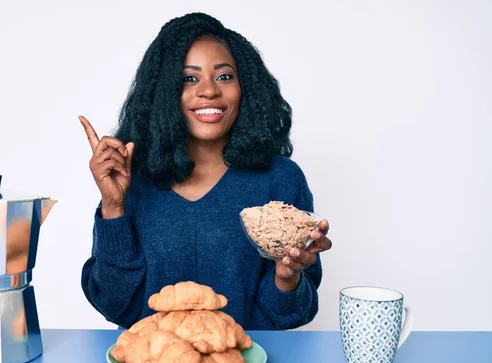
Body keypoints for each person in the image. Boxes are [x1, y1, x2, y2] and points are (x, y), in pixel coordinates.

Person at [79, 12, 332, 331]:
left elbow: (290, 315)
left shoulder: (281, 179)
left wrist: (286, 277)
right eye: (189, 78)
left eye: (224, 76)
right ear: (164, 92)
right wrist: (113, 206)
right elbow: (114, 304)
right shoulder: (131, 181)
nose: (209, 91)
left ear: (245, 89)